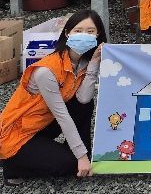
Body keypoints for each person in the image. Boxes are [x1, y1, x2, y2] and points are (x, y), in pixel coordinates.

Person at [0, 10, 106, 185]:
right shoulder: (47, 71)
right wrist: (81, 157)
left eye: (90, 31)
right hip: (18, 134)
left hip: (41, 124)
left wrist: (94, 63)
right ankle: (12, 164)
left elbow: (84, 100)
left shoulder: (82, 63)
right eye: (78, 31)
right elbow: (62, 115)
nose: (84, 35)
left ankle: (69, 154)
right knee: (71, 165)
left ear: (98, 34)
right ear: (67, 33)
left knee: (84, 105)